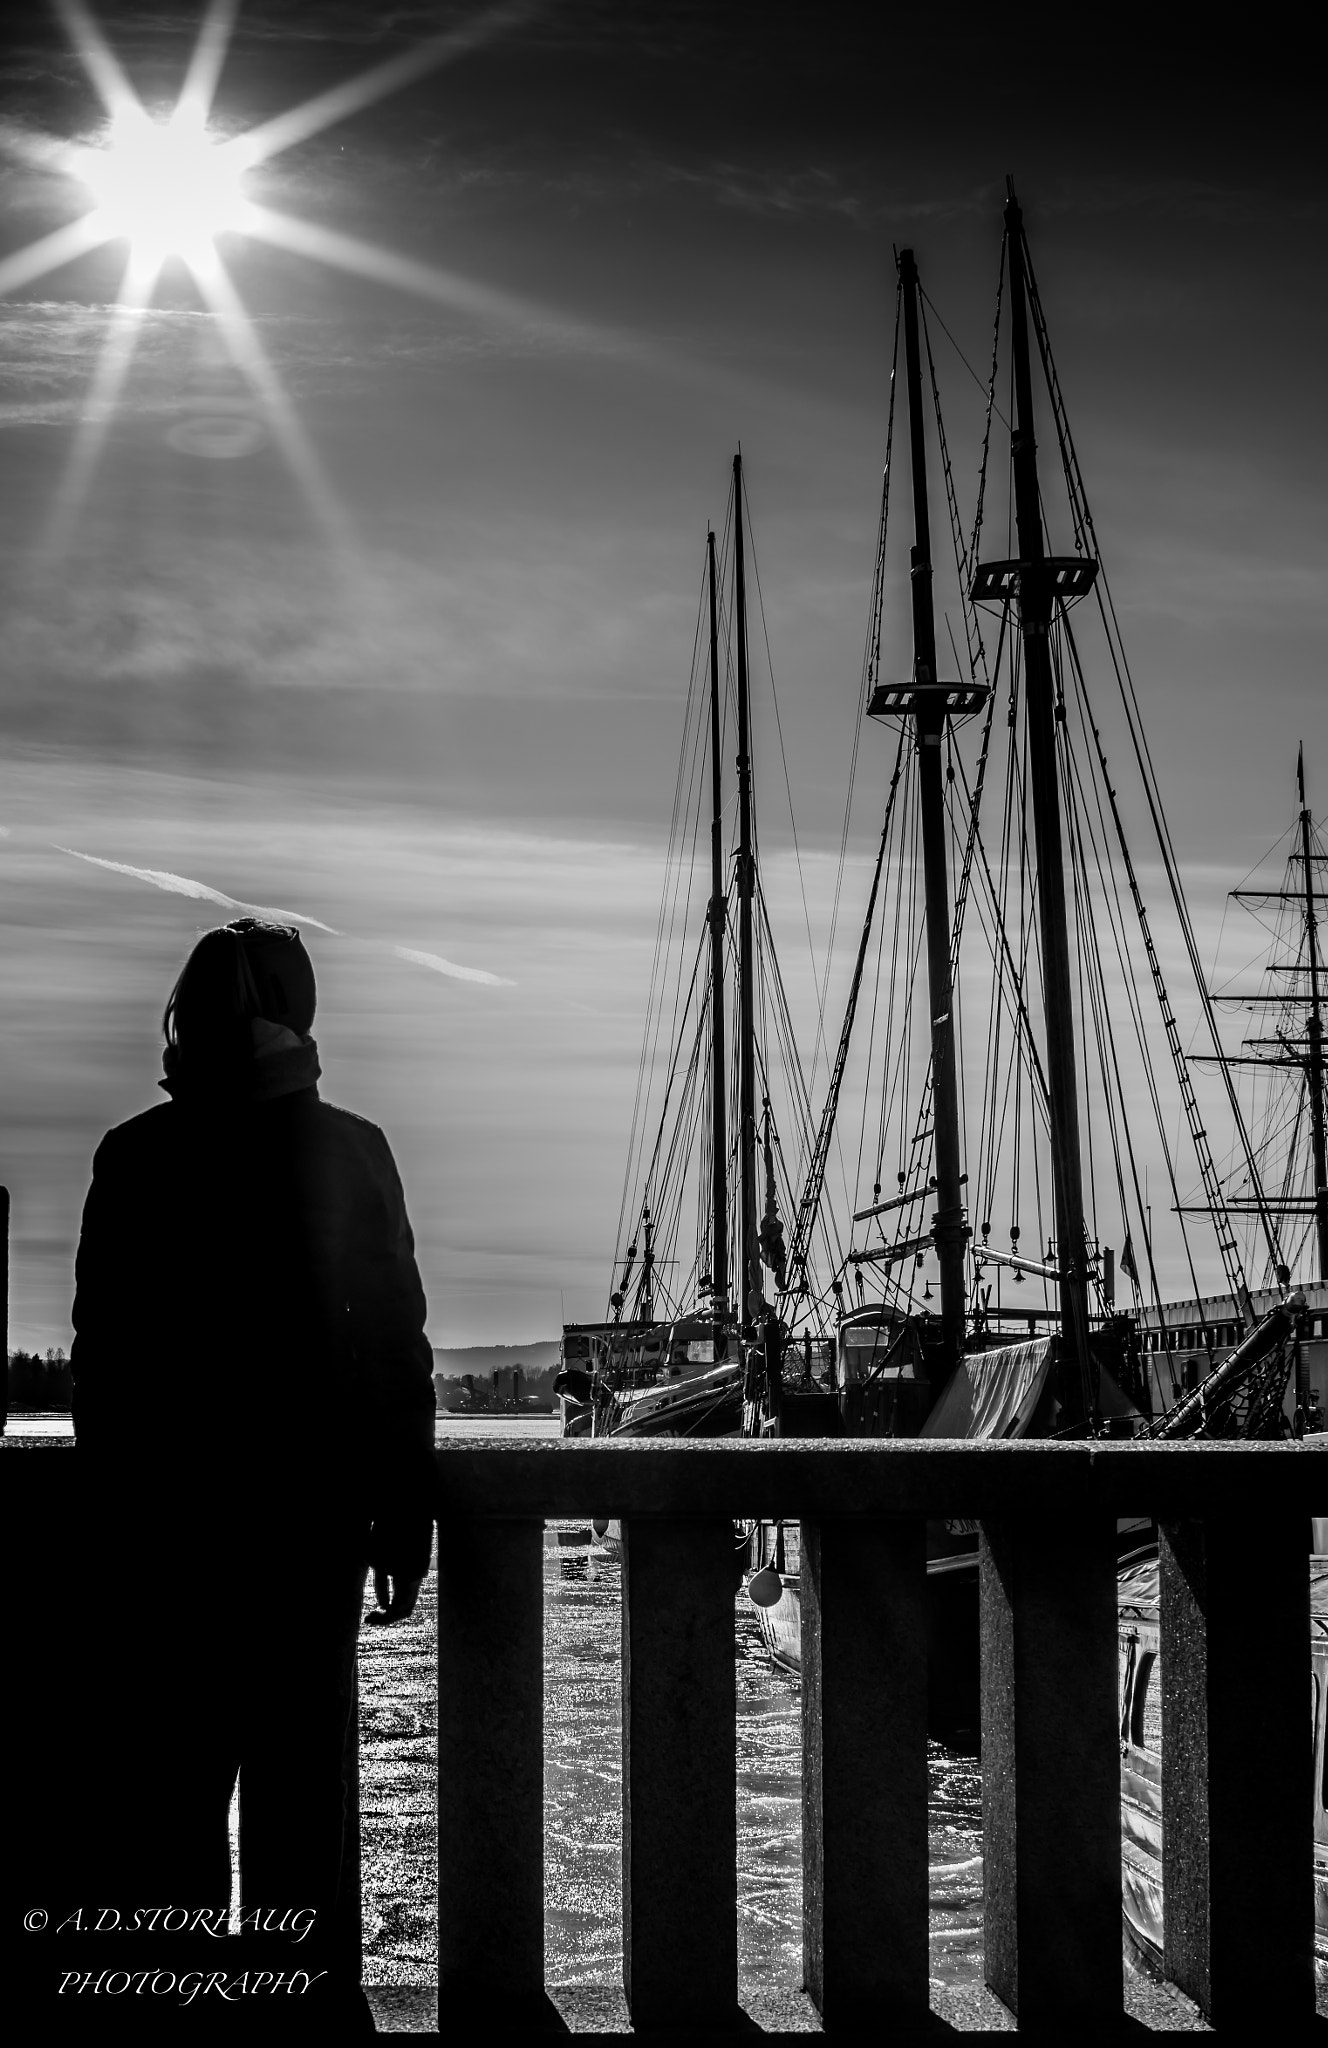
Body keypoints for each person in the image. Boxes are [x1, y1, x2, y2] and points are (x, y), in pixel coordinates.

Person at [66, 918, 437, 2036]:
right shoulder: (351, 1148)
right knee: (298, 1811)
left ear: (186, 1020)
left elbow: (103, 1366)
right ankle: (304, 2016)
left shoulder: (131, 1156)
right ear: (301, 1018)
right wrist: (403, 1518)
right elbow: (393, 1353)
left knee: (171, 1808)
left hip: (166, 1544)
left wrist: (119, 1520)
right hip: (303, 1535)